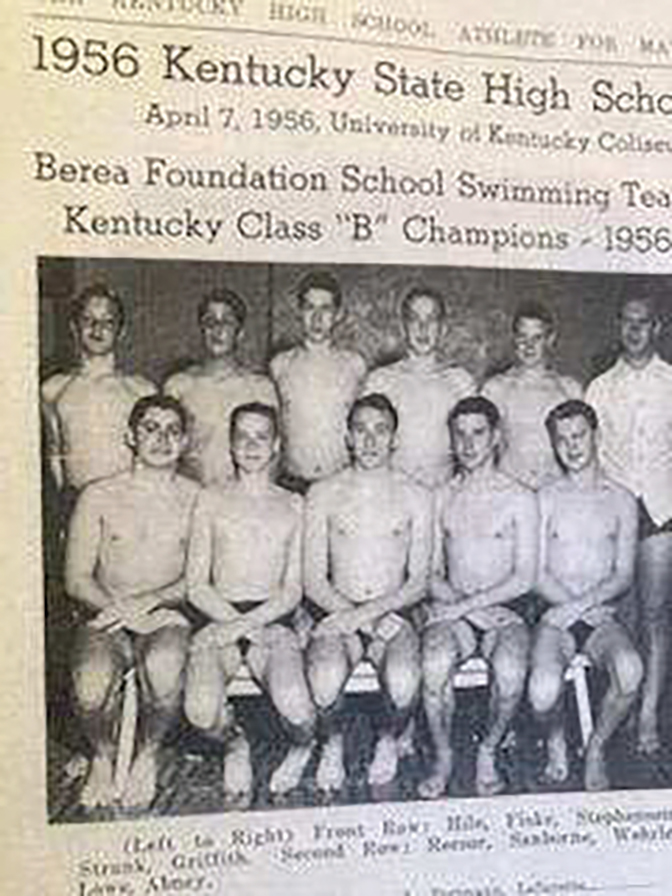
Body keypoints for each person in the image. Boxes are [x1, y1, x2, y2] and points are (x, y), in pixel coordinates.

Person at [65, 395, 199, 810]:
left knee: (163, 668)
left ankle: (148, 754)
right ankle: (102, 756)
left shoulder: (199, 499)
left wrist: (147, 605)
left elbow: (196, 578)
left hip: (165, 616)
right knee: (89, 687)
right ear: (130, 435)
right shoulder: (98, 495)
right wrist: (119, 611)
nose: (161, 438)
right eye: (150, 428)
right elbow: (76, 578)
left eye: (172, 430)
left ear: (185, 442)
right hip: (104, 613)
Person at [184, 402, 315, 806]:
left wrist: (251, 628)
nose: (252, 444)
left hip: (272, 616)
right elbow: (196, 586)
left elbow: (292, 591)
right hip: (218, 613)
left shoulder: (294, 503)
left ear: (276, 444)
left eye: (261, 436)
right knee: (201, 712)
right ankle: (234, 743)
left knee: (296, 707)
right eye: (242, 436)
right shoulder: (210, 498)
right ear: (231, 445)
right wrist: (235, 627)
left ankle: (302, 748)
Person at [304, 393, 432, 793]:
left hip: (395, 609)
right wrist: (356, 617)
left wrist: (376, 615)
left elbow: (419, 581)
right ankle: (333, 742)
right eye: (361, 430)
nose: (370, 440)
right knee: (323, 679)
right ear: (347, 437)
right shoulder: (322, 492)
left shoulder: (416, 494)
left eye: (381, 430)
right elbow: (312, 579)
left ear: (395, 439)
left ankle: (389, 738)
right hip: (337, 606)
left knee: (405, 679)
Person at [420, 396, 536, 799]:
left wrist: (475, 608)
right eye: (460, 434)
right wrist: (461, 607)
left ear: (496, 437)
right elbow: (430, 572)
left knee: (509, 671)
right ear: (451, 440)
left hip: (505, 610)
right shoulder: (440, 496)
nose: (469, 443)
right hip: (454, 605)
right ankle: (444, 754)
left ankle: (488, 749)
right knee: (433, 663)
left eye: (479, 433)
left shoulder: (520, 497)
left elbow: (525, 577)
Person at [529, 399, 642, 791]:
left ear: (596, 435)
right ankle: (557, 737)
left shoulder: (623, 500)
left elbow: (623, 575)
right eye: (562, 439)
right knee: (542, 695)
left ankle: (595, 746)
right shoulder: (543, 498)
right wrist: (568, 609)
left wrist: (583, 606)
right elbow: (535, 571)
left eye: (579, 436)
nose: (572, 446)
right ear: (552, 444)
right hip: (554, 616)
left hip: (599, 618)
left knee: (630, 672)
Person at [586, 295, 672, 755]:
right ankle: (619, 706)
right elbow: (591, 458)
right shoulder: (599, 388)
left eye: (643, 322)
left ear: (656, 327)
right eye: (627, 322)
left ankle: (648, 718)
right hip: (614, 515)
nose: (634, 330)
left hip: (662, 512)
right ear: (618, 326)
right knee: (619, 617)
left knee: (657, 618)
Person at [41, 284, 155, 499]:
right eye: (87, 320)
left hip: (128, 501)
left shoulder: (141, 390)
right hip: (78, 503)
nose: (97, 327)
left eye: (108, 322)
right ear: (74, 328)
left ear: (121, 332)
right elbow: (55, 455)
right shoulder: (52, 389)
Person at [364, 286, 476, 488]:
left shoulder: (460, 382)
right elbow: (363, 446)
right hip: (393, 496)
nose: (422, 329)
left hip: (443, 495)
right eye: (414, 319)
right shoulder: (379, 381)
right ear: (402, 327)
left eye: (431, 320)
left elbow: (478, 449)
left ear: (443, 329)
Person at [164, 288, 278, 487]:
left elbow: (275, 457)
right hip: (192, 497)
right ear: (201, 329)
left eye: (227, 322)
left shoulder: (260, 387)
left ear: (240, 333)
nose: (218, 329)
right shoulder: (179, 385)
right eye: (210, 322)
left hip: (240, 501)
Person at [271, 271, 366, 491]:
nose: (317, 318)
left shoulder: (354, 365)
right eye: (310, 308)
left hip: (340, 483)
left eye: (325, 309)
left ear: (338, 314)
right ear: (299, 312)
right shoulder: (280, 365)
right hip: (291, 482)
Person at [481, 302, 582, 490]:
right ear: (513, 338)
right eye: (522, 337)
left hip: (555, 492)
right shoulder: (495, 388)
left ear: (550, 339)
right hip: (509, 493)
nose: (529, 346)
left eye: (537, 338)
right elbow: (482, 450)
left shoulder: (569, 389)